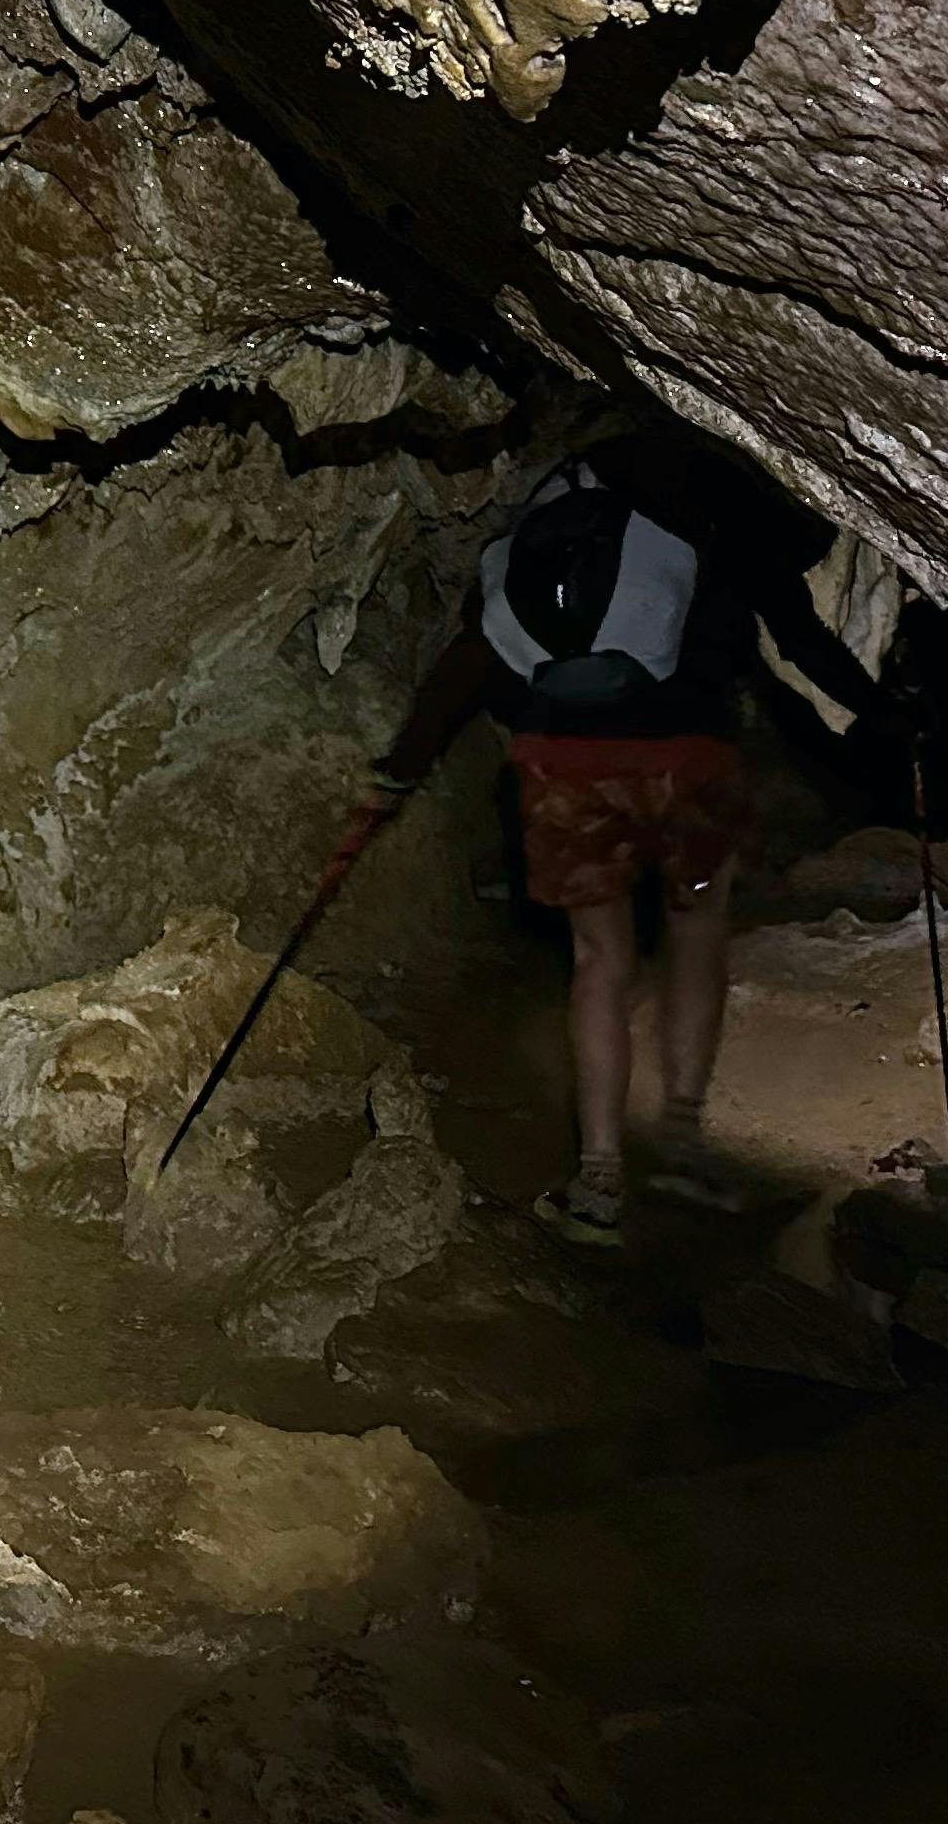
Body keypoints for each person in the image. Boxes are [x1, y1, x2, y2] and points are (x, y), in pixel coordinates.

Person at [350, 415, 900, 1247]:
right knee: (697, 928)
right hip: (691, 766)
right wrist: (891, 718)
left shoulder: (555, 504)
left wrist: (401, 765)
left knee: (598, 959)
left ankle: (599, 1176)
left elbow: (476, 651)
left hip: (568, 765)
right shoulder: (708, 499)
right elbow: (797, 634)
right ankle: (683, 1129)